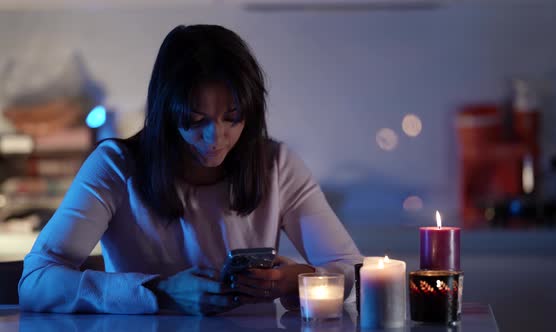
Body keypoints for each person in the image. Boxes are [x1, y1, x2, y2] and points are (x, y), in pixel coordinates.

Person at [18, 24, 363, 315]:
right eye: (197, 120)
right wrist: (159, 291)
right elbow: (35, 282)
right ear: (167, 114)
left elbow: (355, 272)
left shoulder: (275, 164)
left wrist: (301, 278)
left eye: (233, 118)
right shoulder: (116, 165)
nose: (217, 138)